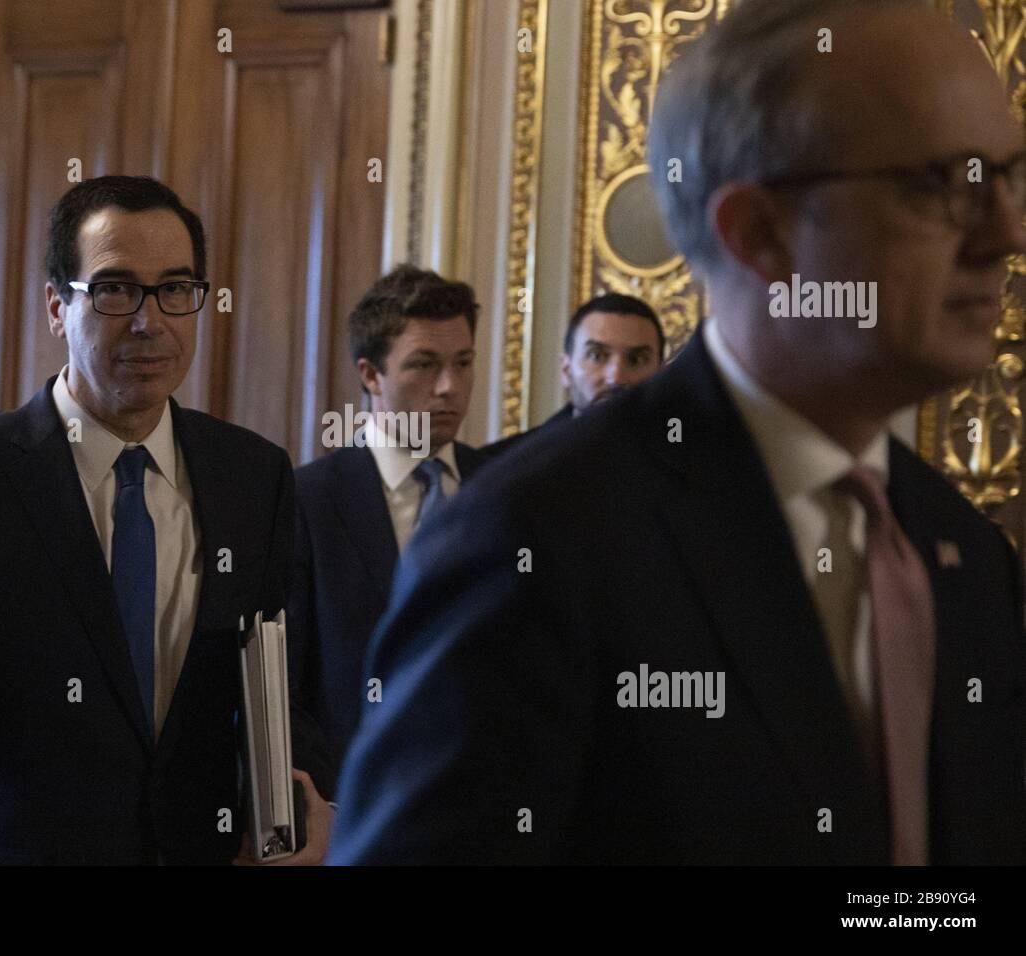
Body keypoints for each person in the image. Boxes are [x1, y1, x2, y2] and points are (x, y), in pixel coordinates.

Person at [328, 0, 1026, 865]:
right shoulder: (533, 540)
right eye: (945, 184)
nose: (1007, 233)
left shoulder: (960, 551)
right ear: (758, 232)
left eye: (1008, 175)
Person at [0, 176, 331, 865]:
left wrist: (294, 804)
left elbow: (266, 684)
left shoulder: (253, 475)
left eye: (175, 289)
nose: (149, 321)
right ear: (57, 307)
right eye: (115, 290)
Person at [288, 265, 486, 786]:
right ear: (371, 375)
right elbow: (284, 687)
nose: (448, 387)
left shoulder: (503, 489)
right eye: (423, 365)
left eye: (462, 363)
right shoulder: (305, 500)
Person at [485, 292, 665, 458]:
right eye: (596, 356)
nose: (615, 378)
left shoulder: (688, 461)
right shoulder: (503, 464)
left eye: (636, 360)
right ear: (566, 370)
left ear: (661, 373)